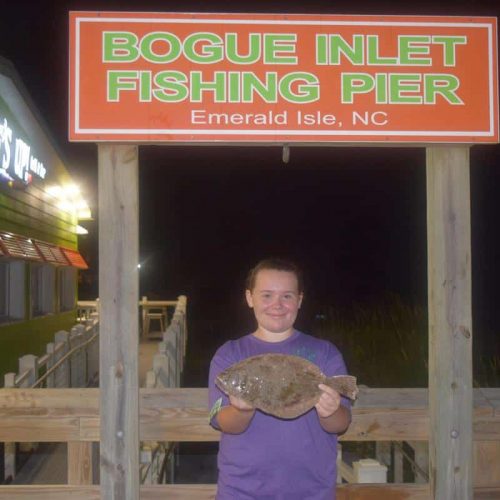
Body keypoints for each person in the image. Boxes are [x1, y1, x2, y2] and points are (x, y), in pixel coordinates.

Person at [208, 258, 352, 500]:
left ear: (300, 300)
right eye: (266, 295)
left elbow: (341, 423)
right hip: (242, 491)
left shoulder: (325, 353)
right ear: (249, 298)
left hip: (311, 491)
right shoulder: (229, 354)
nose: (277, 304)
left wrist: (330, 411)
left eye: (287, 296)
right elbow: (219, 420)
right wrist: (241, 411)